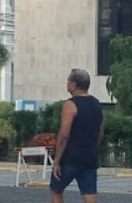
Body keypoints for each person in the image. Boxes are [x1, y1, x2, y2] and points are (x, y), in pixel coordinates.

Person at [50, 68, 104, 203]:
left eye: (68, 81)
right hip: (90, 157)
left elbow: (64, 135)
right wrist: (93, 147)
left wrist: (57, 161)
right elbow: (100, 131)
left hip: (70, 157)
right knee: (89, 193)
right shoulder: (97, 104)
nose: (67, 83)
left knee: (56, 190)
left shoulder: (70, 104)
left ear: (74, 84)